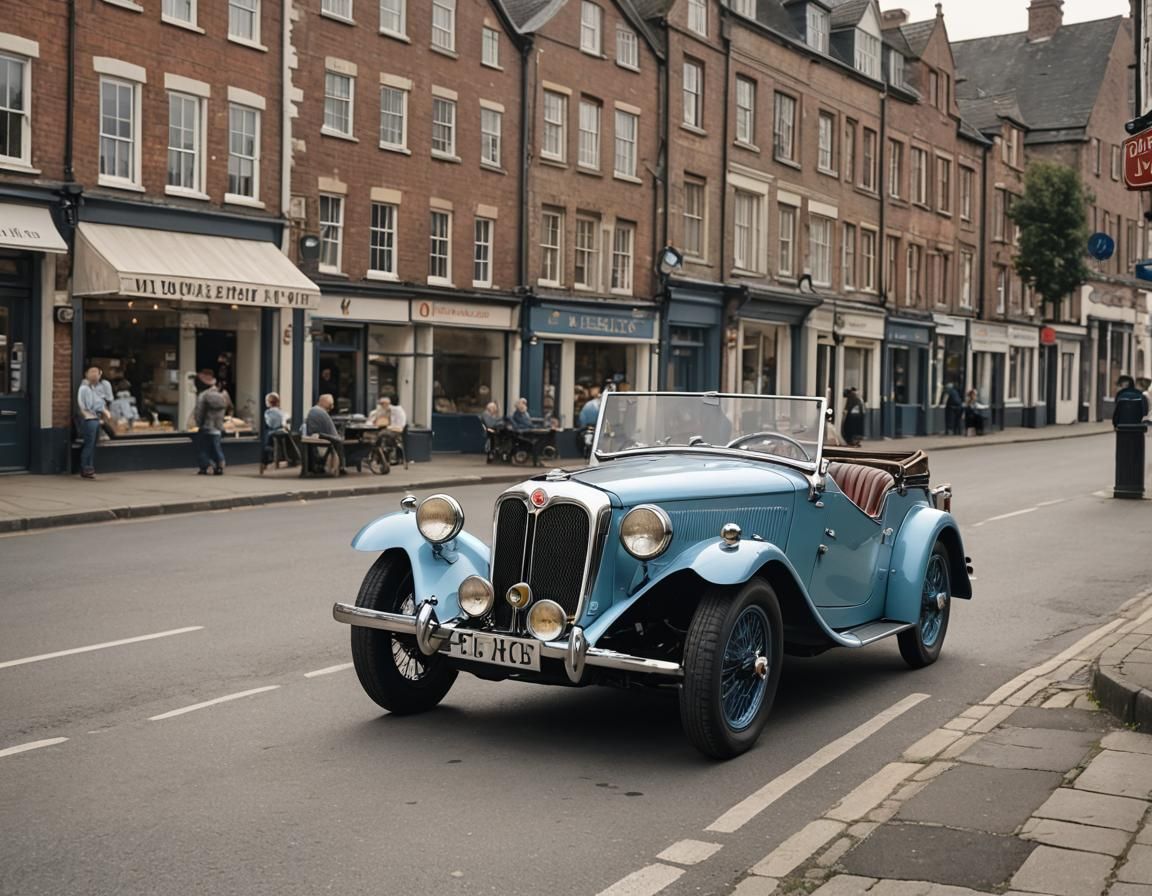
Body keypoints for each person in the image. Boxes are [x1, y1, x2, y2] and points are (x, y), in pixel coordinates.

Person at [76, 366, 112, 479]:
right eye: (92, 372)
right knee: (89, 445)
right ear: (86, 374)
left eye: (97, 372)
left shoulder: (91, 388)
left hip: (94, 419)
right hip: (89, 419)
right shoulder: (85, 388)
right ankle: (85, 468)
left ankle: (89, 467)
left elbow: (99, 402)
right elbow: (88, 405)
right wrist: (102, 410)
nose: (95, 374)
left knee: (92, 445)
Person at [194, 376, 230, 475]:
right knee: (216, 447)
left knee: (203, 448)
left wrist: (199, 423)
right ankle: (220, 465)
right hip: (218, 427)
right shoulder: (224, 395)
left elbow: (199, 411)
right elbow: (229, 408)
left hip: (206, 425)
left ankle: (205, 467)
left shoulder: (204, 395)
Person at [306, 393, 347, 474]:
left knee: (336, 440)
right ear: (323, 403)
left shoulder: (313, 410)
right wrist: (338, 436)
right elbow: (332, 430)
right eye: (330, 405)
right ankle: (342, 466)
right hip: (319, 436)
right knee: (338, 441)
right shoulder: (321, 412)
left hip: (314, 435)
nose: (331, 407)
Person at [260, 392, 287, 472]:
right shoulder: (281, 412)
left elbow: (269, 423)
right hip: (281, 432)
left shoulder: (268, 412)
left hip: (272, 432)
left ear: (269, 402)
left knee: (266, 447)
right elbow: (284, 422)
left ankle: (264, 463)